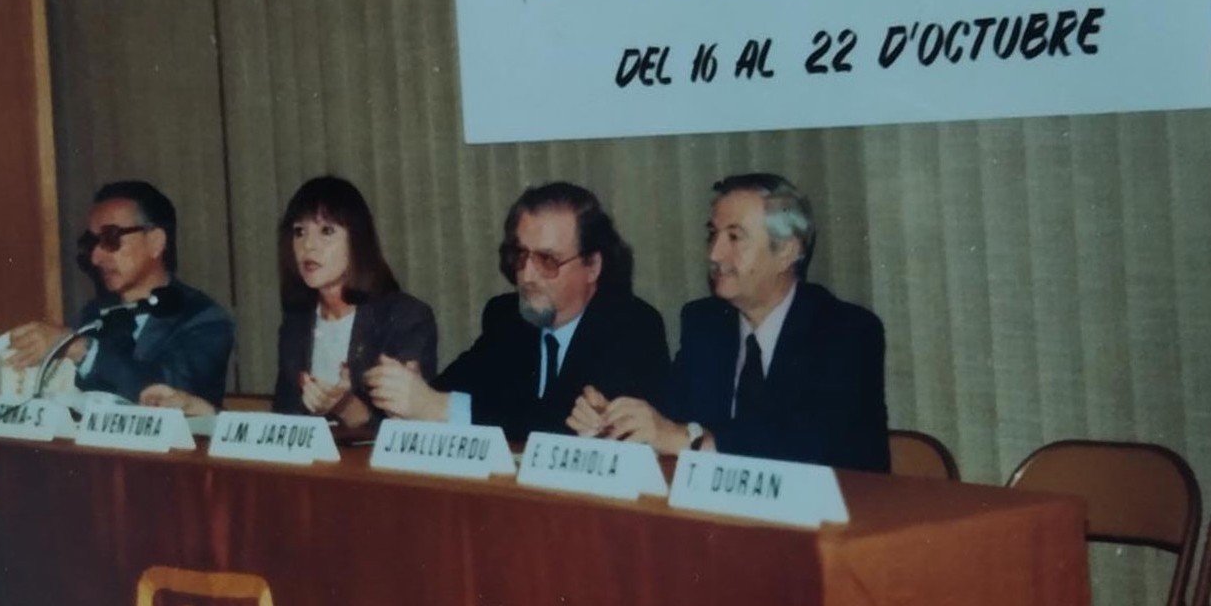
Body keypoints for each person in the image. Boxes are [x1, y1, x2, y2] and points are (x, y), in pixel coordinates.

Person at [569, 173, 889, 472]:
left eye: (735, 237)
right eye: (713, 235)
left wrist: (688, 440)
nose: (715, 254)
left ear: (786, 251)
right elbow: (669, 417)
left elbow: (810, 443)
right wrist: (612, 423)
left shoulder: (846, 331)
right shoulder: (706, 324)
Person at [365, 181, 669, 441]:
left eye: (548, 260)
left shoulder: (632, 326)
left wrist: (438, 407)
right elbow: (451, 390)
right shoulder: (506, 317)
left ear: (592, 266)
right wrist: (408, 395)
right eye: (521, 255)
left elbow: (559, 425)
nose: (527, 275)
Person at [145, 176, 436, 426]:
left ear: (358, 240)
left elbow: (409, 434)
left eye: (326, 231)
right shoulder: (298, 323)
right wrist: (204, 412)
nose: (308, 245)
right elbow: (284, 425)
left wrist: (346, 407)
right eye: (299, 232)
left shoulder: (405, 318)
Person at [0, 180, 234, 408]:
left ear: (156, 242)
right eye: (92, 242)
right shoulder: (93, 314)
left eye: (110, 238)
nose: (96, 257)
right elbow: (54, 396)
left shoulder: (205, 319)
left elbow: (172, 394)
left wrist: (81, 349)